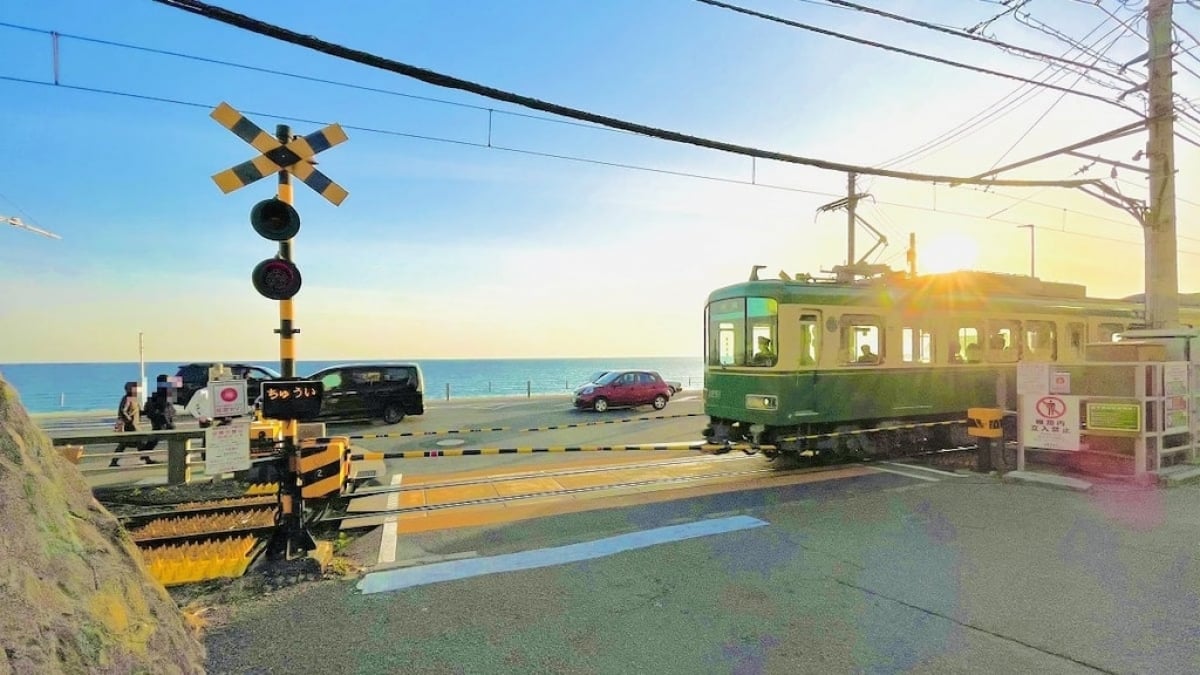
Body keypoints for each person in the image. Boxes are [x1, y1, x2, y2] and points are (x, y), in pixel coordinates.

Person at [138, 374, 175, 459]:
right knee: (173, 438)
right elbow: (165, 409)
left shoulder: (161, 393)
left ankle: (144, 454)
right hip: (163, 421)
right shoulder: (165, 394)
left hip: (159, 420)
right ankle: (144, 453)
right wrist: (169, 422)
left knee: (155, 439)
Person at [110, 381, 145, 467]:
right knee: (129, 443)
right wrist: (129, 419)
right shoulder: (128, 398)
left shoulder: (132, 398)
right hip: (130, 427)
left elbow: (137, 411)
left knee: (136, 443)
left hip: (133, 426)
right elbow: (123, 410)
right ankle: (114, 461)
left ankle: (145, 458)